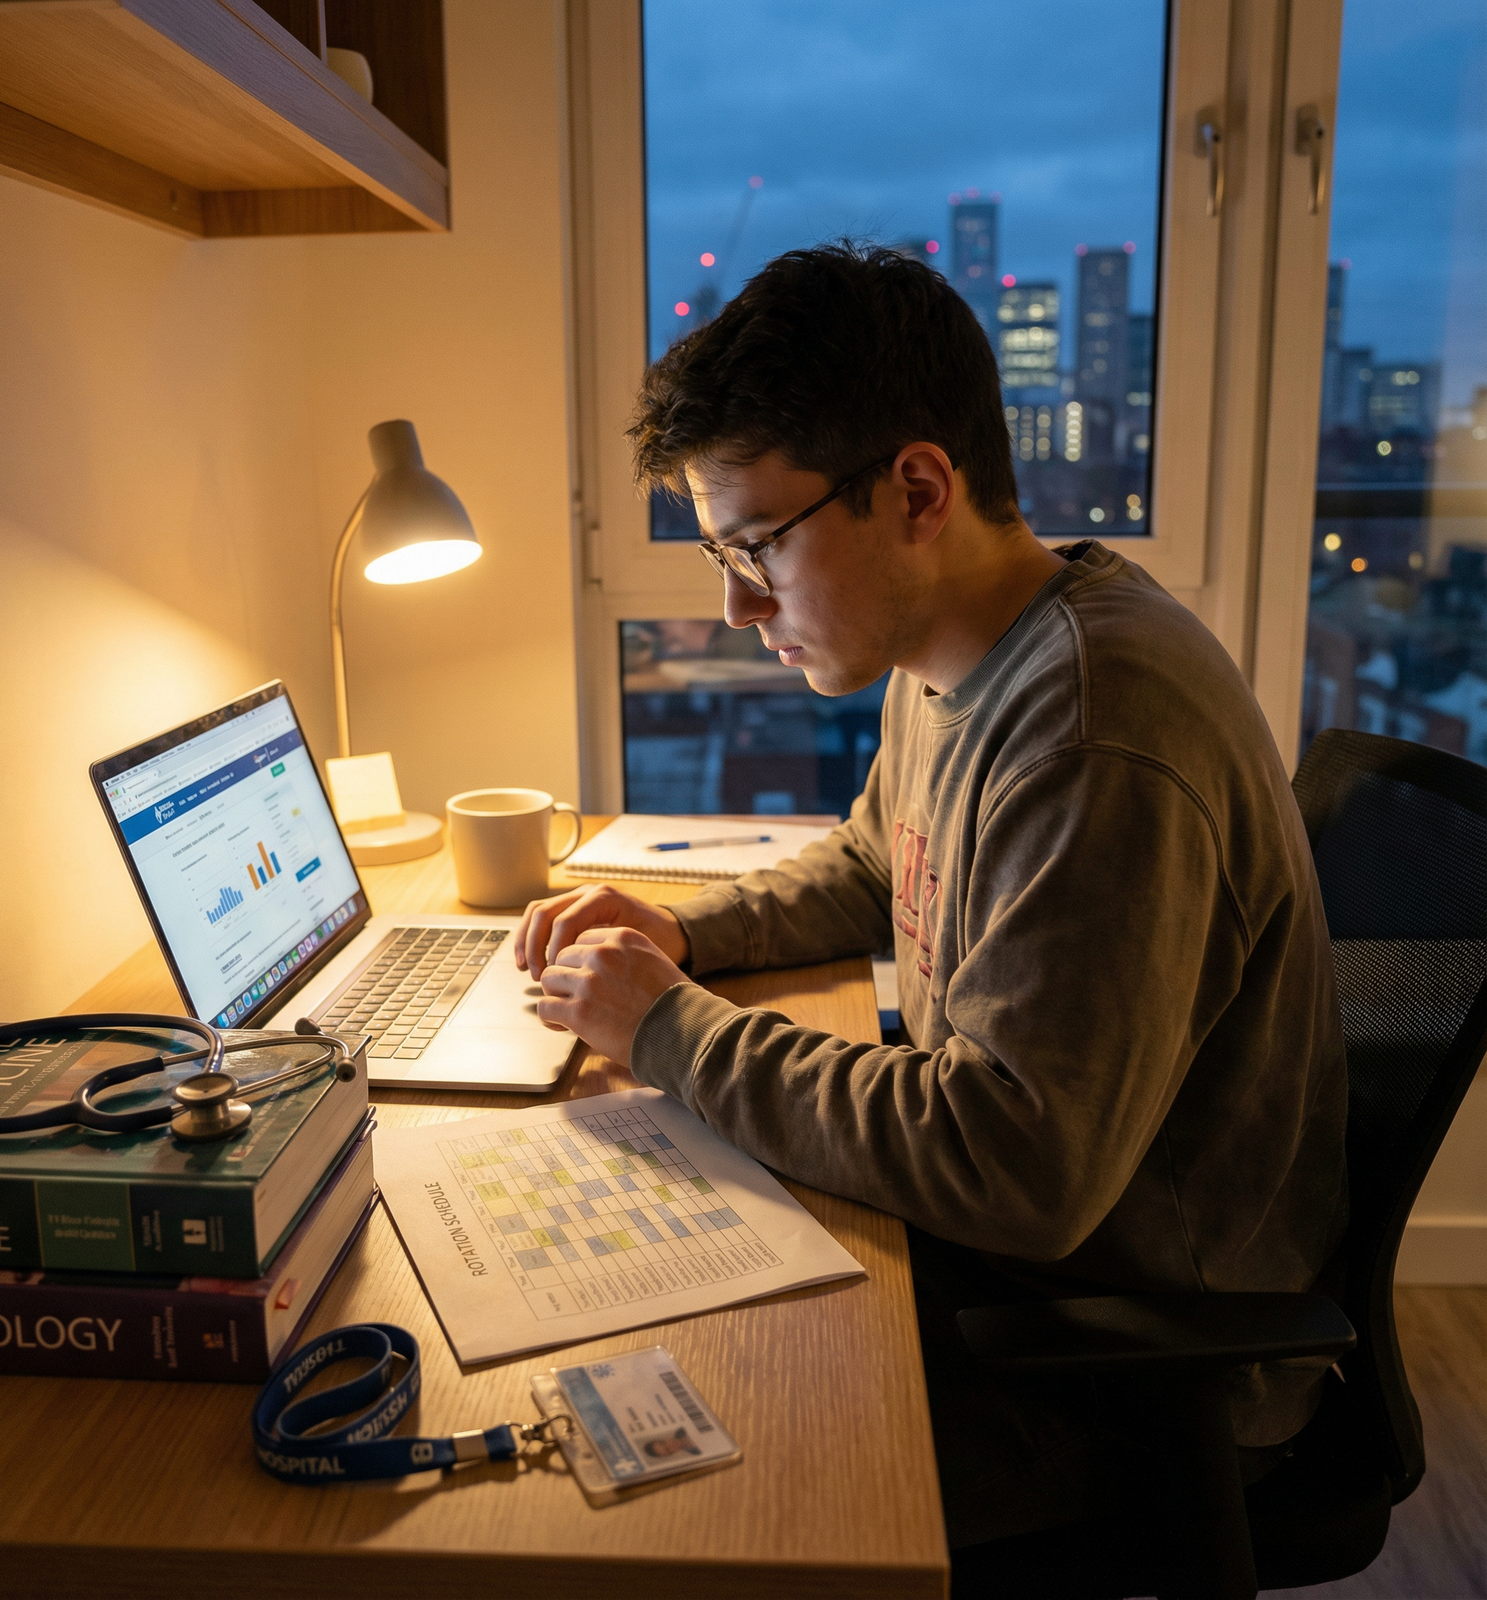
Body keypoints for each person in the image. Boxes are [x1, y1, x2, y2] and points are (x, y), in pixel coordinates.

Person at [514, 243, 1347, 1547]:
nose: (734, 606)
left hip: (1130, 1359)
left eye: (757, 547)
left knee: (681, 1497)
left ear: (915, 490)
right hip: (1034, 1269)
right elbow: (872, 863)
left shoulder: (1093, 733)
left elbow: (1012, 1165)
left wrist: (669, 1028)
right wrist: (680, 929)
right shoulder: (955, 653)